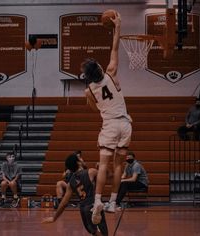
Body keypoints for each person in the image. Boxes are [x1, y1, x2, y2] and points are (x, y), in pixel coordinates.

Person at [81, 12, 132, 224]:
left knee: (103, 165)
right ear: (100, 69)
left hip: (110, 124)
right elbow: (115, 46)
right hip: (125, 123)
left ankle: (98, 200)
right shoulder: (111, 72)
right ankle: (112, 202)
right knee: (119, 165)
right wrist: (118, 25)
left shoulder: (88, 92)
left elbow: (94, 109)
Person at [42, 154, 108, 236]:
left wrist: (54, 218)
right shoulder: (91, 172)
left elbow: (64, 203)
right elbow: (108, 176)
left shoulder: (70, 183)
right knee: (104, 233)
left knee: (94, 232)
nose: (82, 159)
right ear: (78, 163)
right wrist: (103, 168)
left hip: (83, 209)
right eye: (80, 158)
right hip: (93, 204)